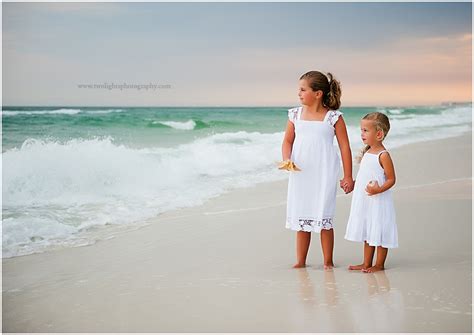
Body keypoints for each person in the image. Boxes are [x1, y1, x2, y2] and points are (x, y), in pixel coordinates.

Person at [281, 70, 354, 269]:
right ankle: (301, 261)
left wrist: (348, 175)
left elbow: (345, 146)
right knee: (301, 215)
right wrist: (287, 159)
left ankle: (328, 261)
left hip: (324, 172)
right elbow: (288, 141)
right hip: (301, 172)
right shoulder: (295, 114)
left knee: (324, 215)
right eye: (299, 89)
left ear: (318, 93)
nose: (299, 93)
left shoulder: (333, 118)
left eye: (303, 89)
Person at [344, 112, 398, 273]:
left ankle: (379, 264)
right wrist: (353, 183)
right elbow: (364, 175)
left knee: (379, 229)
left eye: (366, 131)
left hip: (379, 200)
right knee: (369, 228)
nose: (362, 134)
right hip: (366, 199)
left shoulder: (383, 155)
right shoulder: (368, 153)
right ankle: (366, 262)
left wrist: (378, 190)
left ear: (379, 134)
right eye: (361, 130)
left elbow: (391, 179)